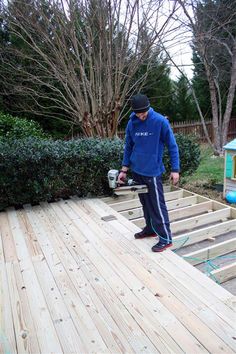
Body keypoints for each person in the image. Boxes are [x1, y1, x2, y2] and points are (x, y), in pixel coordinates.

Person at [118, 94, 180, 252]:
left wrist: (175, 170)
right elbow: (128, 146)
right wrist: (124, 169)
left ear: (148, 108)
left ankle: (166, 238)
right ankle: (150, 229)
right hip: (136, 170)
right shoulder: (132, 123)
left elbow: (172, 146)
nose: (141, 115)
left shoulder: (160, 121)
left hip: (152, 172)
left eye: (143, 112)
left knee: (157, 206)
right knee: (145, 203)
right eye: (138, 113)